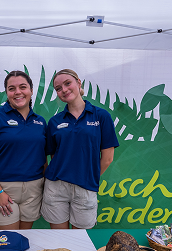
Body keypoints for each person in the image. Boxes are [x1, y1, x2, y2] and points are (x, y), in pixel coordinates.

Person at [42, 69, 119, 229]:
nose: (64, 90)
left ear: (78, 83)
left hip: (85, 186)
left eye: (67, 83)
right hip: (56, 187)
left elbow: (107, 158)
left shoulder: (101, 116)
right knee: (59, 239)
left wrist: (88, 176)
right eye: (58, 88)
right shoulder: (55, 121)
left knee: (79, 239)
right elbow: (53, 156)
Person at [0, 71, 47, 230]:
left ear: (31, 90)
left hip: (34, 188)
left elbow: (42, 157)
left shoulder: (40, 121)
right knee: (8, 240)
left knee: (25, 237)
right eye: (12, 88)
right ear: (7, 93)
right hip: (4, 188)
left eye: (23, 87)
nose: (18, 92)